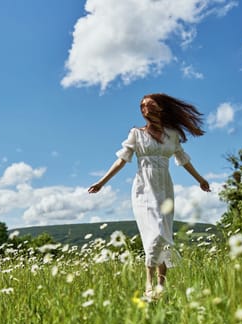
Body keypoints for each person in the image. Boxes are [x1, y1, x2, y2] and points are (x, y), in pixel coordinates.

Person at [88, 93, 210, 299]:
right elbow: (121, 160)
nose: (144, 109)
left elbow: (184, 160)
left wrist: (200, 179)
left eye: (149, 104)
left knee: (164, 235)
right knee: (153, 235)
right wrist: (102, 182)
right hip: (143, 190)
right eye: (142, 106)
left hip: (165, 189)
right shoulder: (136, 133)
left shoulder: (172, 135)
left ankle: (161, 286)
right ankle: (148, 285)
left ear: (161, 107)